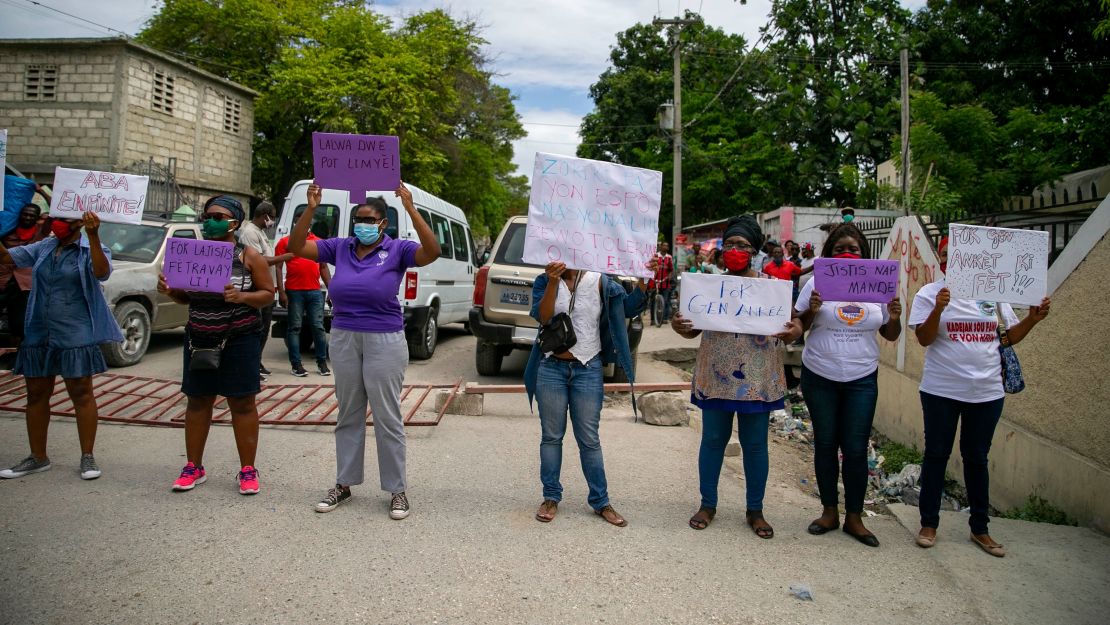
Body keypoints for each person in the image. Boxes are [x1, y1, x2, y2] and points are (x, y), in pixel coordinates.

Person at [290, 182, 440, 519]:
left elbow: (432, 252)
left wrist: (411, 207)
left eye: (369, 219)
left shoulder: (398, 249)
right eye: (359, 218)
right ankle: (343, 484)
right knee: (349, 413)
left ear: (383, 223)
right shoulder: (341, 247)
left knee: (387, 416)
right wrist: (311, 208)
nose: (363, 224)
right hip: (344, 335)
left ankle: (397, 490)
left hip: (384, 339)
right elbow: (298, 246)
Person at [909, 236, 1051, 557]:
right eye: (944, 255)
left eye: (955, 256)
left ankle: (980, 529)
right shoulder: (930, 293)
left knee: (976, 458)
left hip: (987, 392)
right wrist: (938, 309)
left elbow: (1007, 337)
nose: (950, 261)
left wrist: (1032, 319)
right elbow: (924, 338)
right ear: (939, 259)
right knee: (936, 455)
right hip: (941, 390)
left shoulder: (992, 293)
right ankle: (928, 524)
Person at [670, 216, 802, 537]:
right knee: (713, 441)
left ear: (755, 251)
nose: (735, 250)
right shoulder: (708, 287)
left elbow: (795, 324)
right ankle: (707, 504)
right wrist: (679, 326)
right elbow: (691, 328)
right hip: (715, 375)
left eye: (742, 245)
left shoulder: (772, 289)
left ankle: (755, 510)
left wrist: (792, 332)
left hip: (757, 380)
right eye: (729, 244)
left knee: (755, 445)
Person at [158, 196, 275, 495]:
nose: (211, 220)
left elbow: (267, 294)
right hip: (199, 338)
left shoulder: (248, 257)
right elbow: (187, 298)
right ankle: (193, 467)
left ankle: (248, 470)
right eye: (207, 215)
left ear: (234, 223)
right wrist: (172, 291)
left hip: (239, 338)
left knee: (242, 403)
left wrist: (242, 297)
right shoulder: (192, 255)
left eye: (218, 216)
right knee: (197, 400)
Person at [796, 223, 902, 547]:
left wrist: (895, 317)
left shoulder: (877, 285)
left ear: (863, 253)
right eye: (839, 248)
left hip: (861, 379)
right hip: (820, 375)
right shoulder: (815, 283)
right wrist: (812, 312)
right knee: (826, 444)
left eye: (852, 249)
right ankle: (829, 512)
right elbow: (798, 326)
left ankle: (854, 518)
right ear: (829, 253)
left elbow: (890, 334)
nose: (846, 253)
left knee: (855, 449)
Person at [525, 258, 649, 527]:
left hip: (587, 368)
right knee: (551, 436)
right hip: (551, 368)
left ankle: (601, 501)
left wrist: (642, 278)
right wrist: (554, 282)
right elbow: (542, 316)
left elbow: (628, 307)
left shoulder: (600, 281)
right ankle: (550, 497)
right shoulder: (545, 280)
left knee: (589, 439)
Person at [0, 211, 123, 481]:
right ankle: (37, 457)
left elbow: (101, 273)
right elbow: (7, 259)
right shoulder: (45, 246)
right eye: (55, 218)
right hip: (39, 330)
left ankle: (87, 457)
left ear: (79, 222)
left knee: (81, 392)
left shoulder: (92, 247)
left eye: (64, 219)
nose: (57, 224)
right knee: (35, 393)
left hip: (75, 332)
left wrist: (92, 235)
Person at [236, 201, 292, 378]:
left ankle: (256, 362)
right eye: (272, 217)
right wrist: (283, 257)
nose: (272, 221)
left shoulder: (260, 232)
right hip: (255, 287)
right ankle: (250, 366)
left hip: (266, 287)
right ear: (264, 215)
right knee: (257, 329)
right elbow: (259, 261)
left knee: (264, 329)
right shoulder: (249, 233)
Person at [275, 231, 331, 377]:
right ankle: (296, 365)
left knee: (318, 327)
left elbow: (323, 267)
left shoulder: (317, 241)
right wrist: (281, 291)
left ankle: (322, 363)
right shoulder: (285, 242)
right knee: (294, 327)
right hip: (294, 291)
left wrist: (331, 289)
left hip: (314, 291)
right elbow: (278, 267)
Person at [0, 203, 48, 345]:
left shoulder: (41, 232)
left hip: (24, 285)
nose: (27, 217)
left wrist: (42, 192)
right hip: (3, 280)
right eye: (25, 214)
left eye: (31, 215)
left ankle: (17, 356)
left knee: (19, 323)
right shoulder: (7, 229)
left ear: (37, 218)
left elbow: (58, 211)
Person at [649, 242, 674, 325]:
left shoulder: (669, 257)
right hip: (655, 281)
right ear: (660, 247)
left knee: (666, 300)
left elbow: (671, 269)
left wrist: (669, 276)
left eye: (667, 245)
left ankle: (665, 318)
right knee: (653, 300)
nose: (665, 247)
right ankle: (653, 319)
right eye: (664, 245)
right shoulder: (656, 255)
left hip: (665, 282)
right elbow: (651, 266)